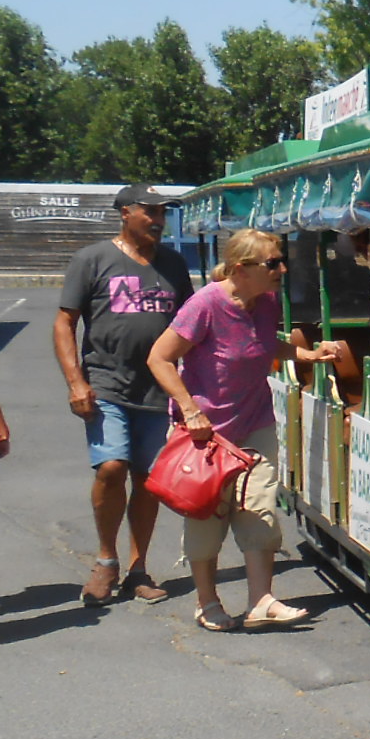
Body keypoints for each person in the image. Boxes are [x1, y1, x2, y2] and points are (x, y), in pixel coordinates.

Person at [147, 229, 339, 630]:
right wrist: (190, 410)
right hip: (206, 434)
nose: (282, 269)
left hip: (255, 423)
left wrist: (307, 354)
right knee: (206, 517)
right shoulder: (205, 304)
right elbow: (159, 359)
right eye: (273, 263)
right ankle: (207, 602)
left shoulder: (265, 301)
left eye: (280, 260)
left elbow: (266, 344)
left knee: (260, 509)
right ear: (240, 269)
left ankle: (261, 601)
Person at [56, 184, 194, 604]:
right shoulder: (93, 259)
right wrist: (76, 382)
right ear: (124, 213)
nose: (157, 219)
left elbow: (190, 325)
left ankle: (138, 568)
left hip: (157, 389)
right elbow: (65, 323)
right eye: (148, 211)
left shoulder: (173, 264)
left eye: (161, 212)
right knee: (112, 467)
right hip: (106, 384)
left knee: (149, 480)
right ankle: (106, 560)